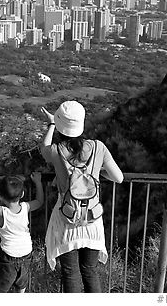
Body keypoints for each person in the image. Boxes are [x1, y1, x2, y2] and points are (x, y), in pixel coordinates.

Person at [40, 101, 123, 293]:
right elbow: (118, 178)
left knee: (70, 273)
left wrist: (51, 124)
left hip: (67, 220)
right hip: (92, 219)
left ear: (61, 126)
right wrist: (96, 173)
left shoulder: (56, 151)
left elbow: (43, 147)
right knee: (90, 271)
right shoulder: (98, 147)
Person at [0, 173, 44, 293]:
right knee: (21, 285)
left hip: (8, 257)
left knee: (0, 289)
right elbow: (39, 201)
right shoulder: (26, 207)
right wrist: (38, 182)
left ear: (0, 196)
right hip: (26, 253)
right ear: (22, 194)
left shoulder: (2, 212)